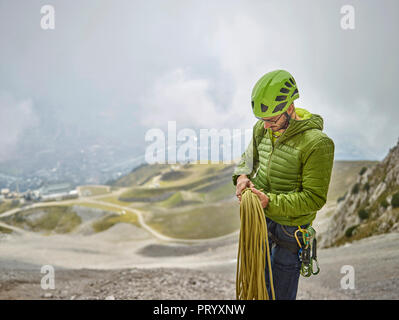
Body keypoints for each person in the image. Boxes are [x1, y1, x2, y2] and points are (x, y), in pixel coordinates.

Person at [232, 69, 335, 300]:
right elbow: (247, 160)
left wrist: (269, 201)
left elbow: (314, 198)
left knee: (279, 295)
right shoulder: (262, 129)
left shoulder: (317, 144)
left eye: (271, 120)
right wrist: (241, 177)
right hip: (261, 221)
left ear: (290, 107)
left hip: (291, 231)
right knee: (256, 287)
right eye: (262, 120)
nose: (265, 126)